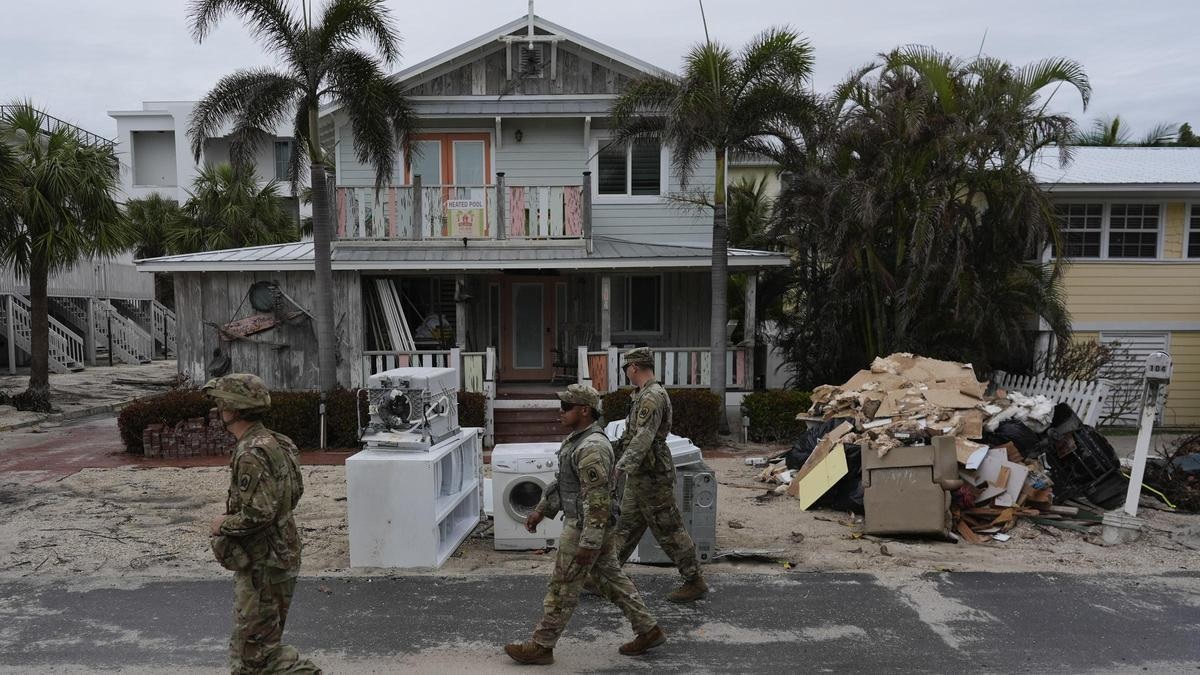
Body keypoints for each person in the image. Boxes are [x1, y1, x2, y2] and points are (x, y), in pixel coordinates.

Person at [504, 384, 666, 665]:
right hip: (590, 525)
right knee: (612, 580)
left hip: (585, 527)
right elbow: (567, 484)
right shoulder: (578, 440)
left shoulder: (592, 447)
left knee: (563, 586)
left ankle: (542, 645)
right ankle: (648, 629)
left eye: (566, 407)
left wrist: (588, 543)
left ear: (584, 410)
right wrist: (542, 510)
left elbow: (598, 499)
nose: (561, 412)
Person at [205, 373, 322, 675]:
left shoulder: (251, 452)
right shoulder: (276, 442)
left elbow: (260, 513)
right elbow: (292, 494)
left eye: (221, 403)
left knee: (257, 654)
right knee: (247, 647)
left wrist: (222, 524)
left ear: (234, 409)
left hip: (265, 563)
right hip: (277, 555)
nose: (218, 409)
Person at [612, 347, 708, 603]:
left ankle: (694, 580)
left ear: (634, 367)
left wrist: (621, 465)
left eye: (626, 368)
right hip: (642, 473)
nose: (626, 374)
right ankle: (606, 575)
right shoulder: (642, 394)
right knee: (626, 525)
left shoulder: (652, 397)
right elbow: (632, 435)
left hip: (652, 474)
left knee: (669, 528)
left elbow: (644, 437)